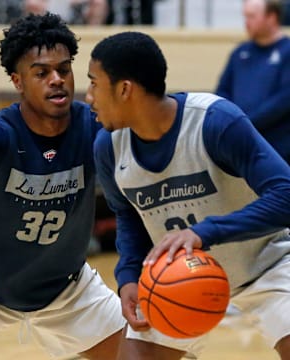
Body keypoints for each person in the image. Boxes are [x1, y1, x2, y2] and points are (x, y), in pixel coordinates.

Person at [0, 13, 125, 360]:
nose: (56, 80)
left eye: (63, 70)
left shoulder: (95, 126)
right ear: (18, 81)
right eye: (42, 72)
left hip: (67, 287)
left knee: (151, 355)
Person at [86, 30, 290, 359]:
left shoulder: (216, 122)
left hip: (265, 265)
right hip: (177, 277)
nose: (89, 96)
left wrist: (203, 232)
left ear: (124, 89)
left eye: (94, 83)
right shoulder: (108, 147)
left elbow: (286, 194)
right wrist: (127, 278)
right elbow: (128, 216)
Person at [215, 0, 290, 164]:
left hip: (278, 149)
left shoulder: (287, 51)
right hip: (241, 146)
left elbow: (283, 100)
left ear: (271, 17)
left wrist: (245, 122)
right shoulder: (240, 52)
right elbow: (222, 91)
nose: (246, 23)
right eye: (245, 17)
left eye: (252, 17)